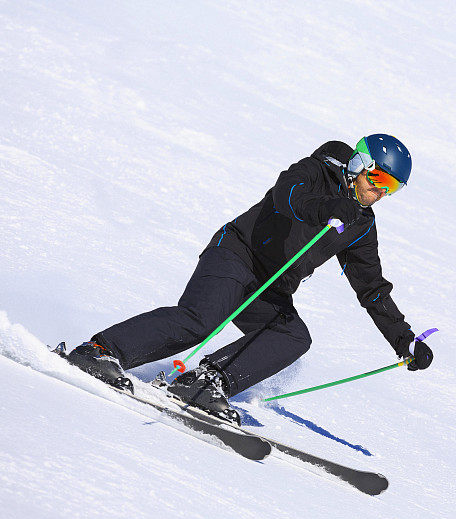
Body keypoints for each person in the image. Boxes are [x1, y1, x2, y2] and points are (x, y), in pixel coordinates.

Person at [62, 134, 434, 424]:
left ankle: (206, 382)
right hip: (237, 252)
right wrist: (327, 208)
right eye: (379, 178)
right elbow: (286, 195)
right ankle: (100, 352)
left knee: (293, 336)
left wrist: (403, 340)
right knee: (200, 320)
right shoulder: (317, 170)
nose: (380, 192)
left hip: (270, 287)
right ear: (358, 164)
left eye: (392, 187)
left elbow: (371, 288)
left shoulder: (360, 225)